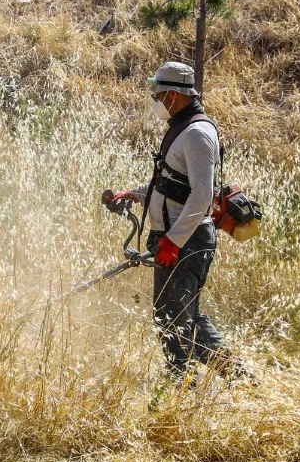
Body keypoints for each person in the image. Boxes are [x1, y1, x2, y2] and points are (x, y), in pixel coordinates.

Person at [105, 61, 246, 382]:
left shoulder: (197, 134)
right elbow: (172, 184)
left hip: (186, 241)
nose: (155, 100)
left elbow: (201, 196)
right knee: (177, 318)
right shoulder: (182, 128)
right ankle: (197, 382)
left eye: (158, 95)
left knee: (176, 319)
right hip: (174, 239)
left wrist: (173, 242)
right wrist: (136, 194)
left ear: (172, 95)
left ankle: (204, 382)